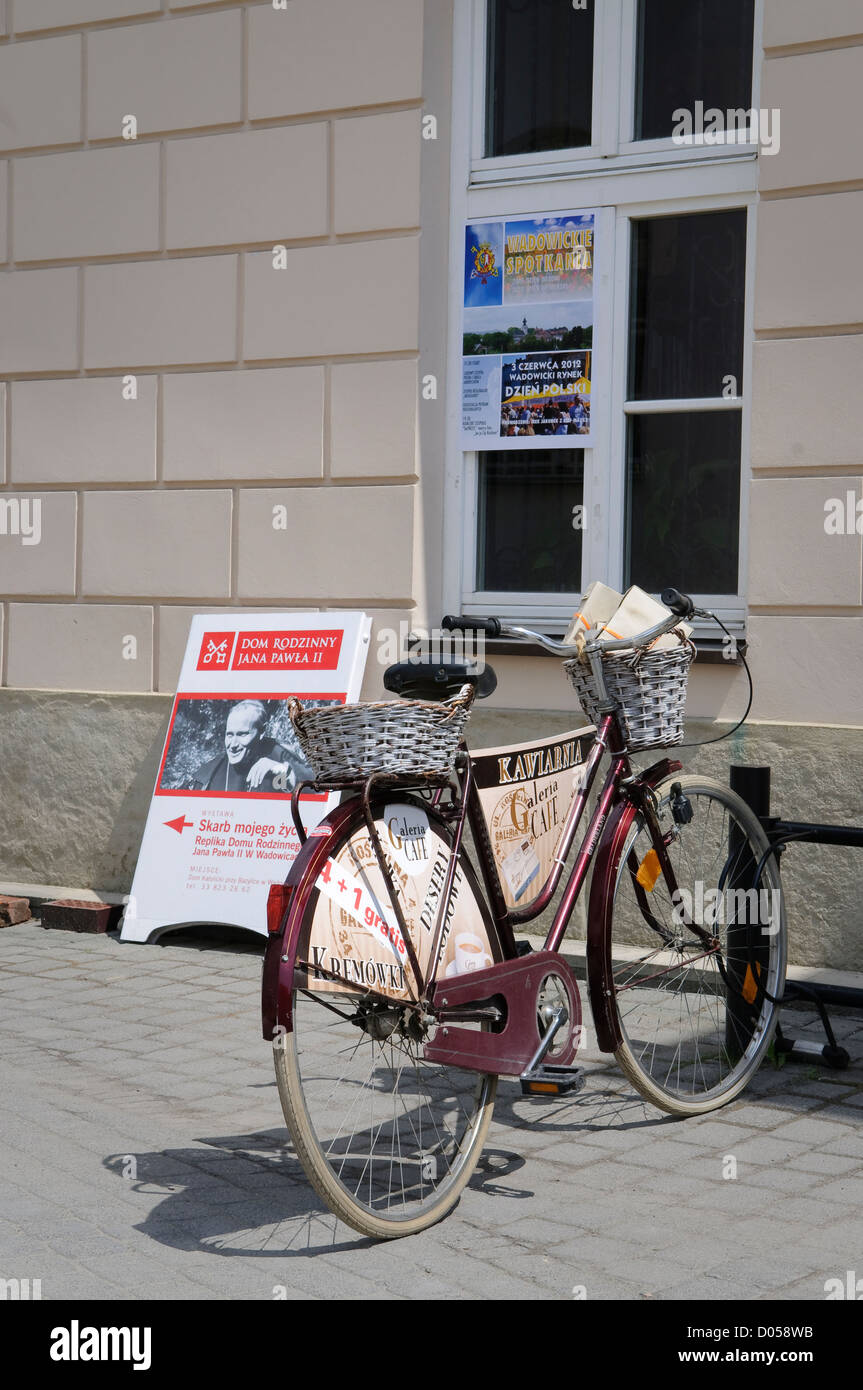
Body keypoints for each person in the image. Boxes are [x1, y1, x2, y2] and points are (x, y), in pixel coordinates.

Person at [191, 700, 298, 793]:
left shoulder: (279, 756)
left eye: (242, 734)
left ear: (261, 731)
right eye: (229, 735)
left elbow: (306, 792)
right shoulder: (210, 774)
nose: (233, 745)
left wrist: (281, 770)